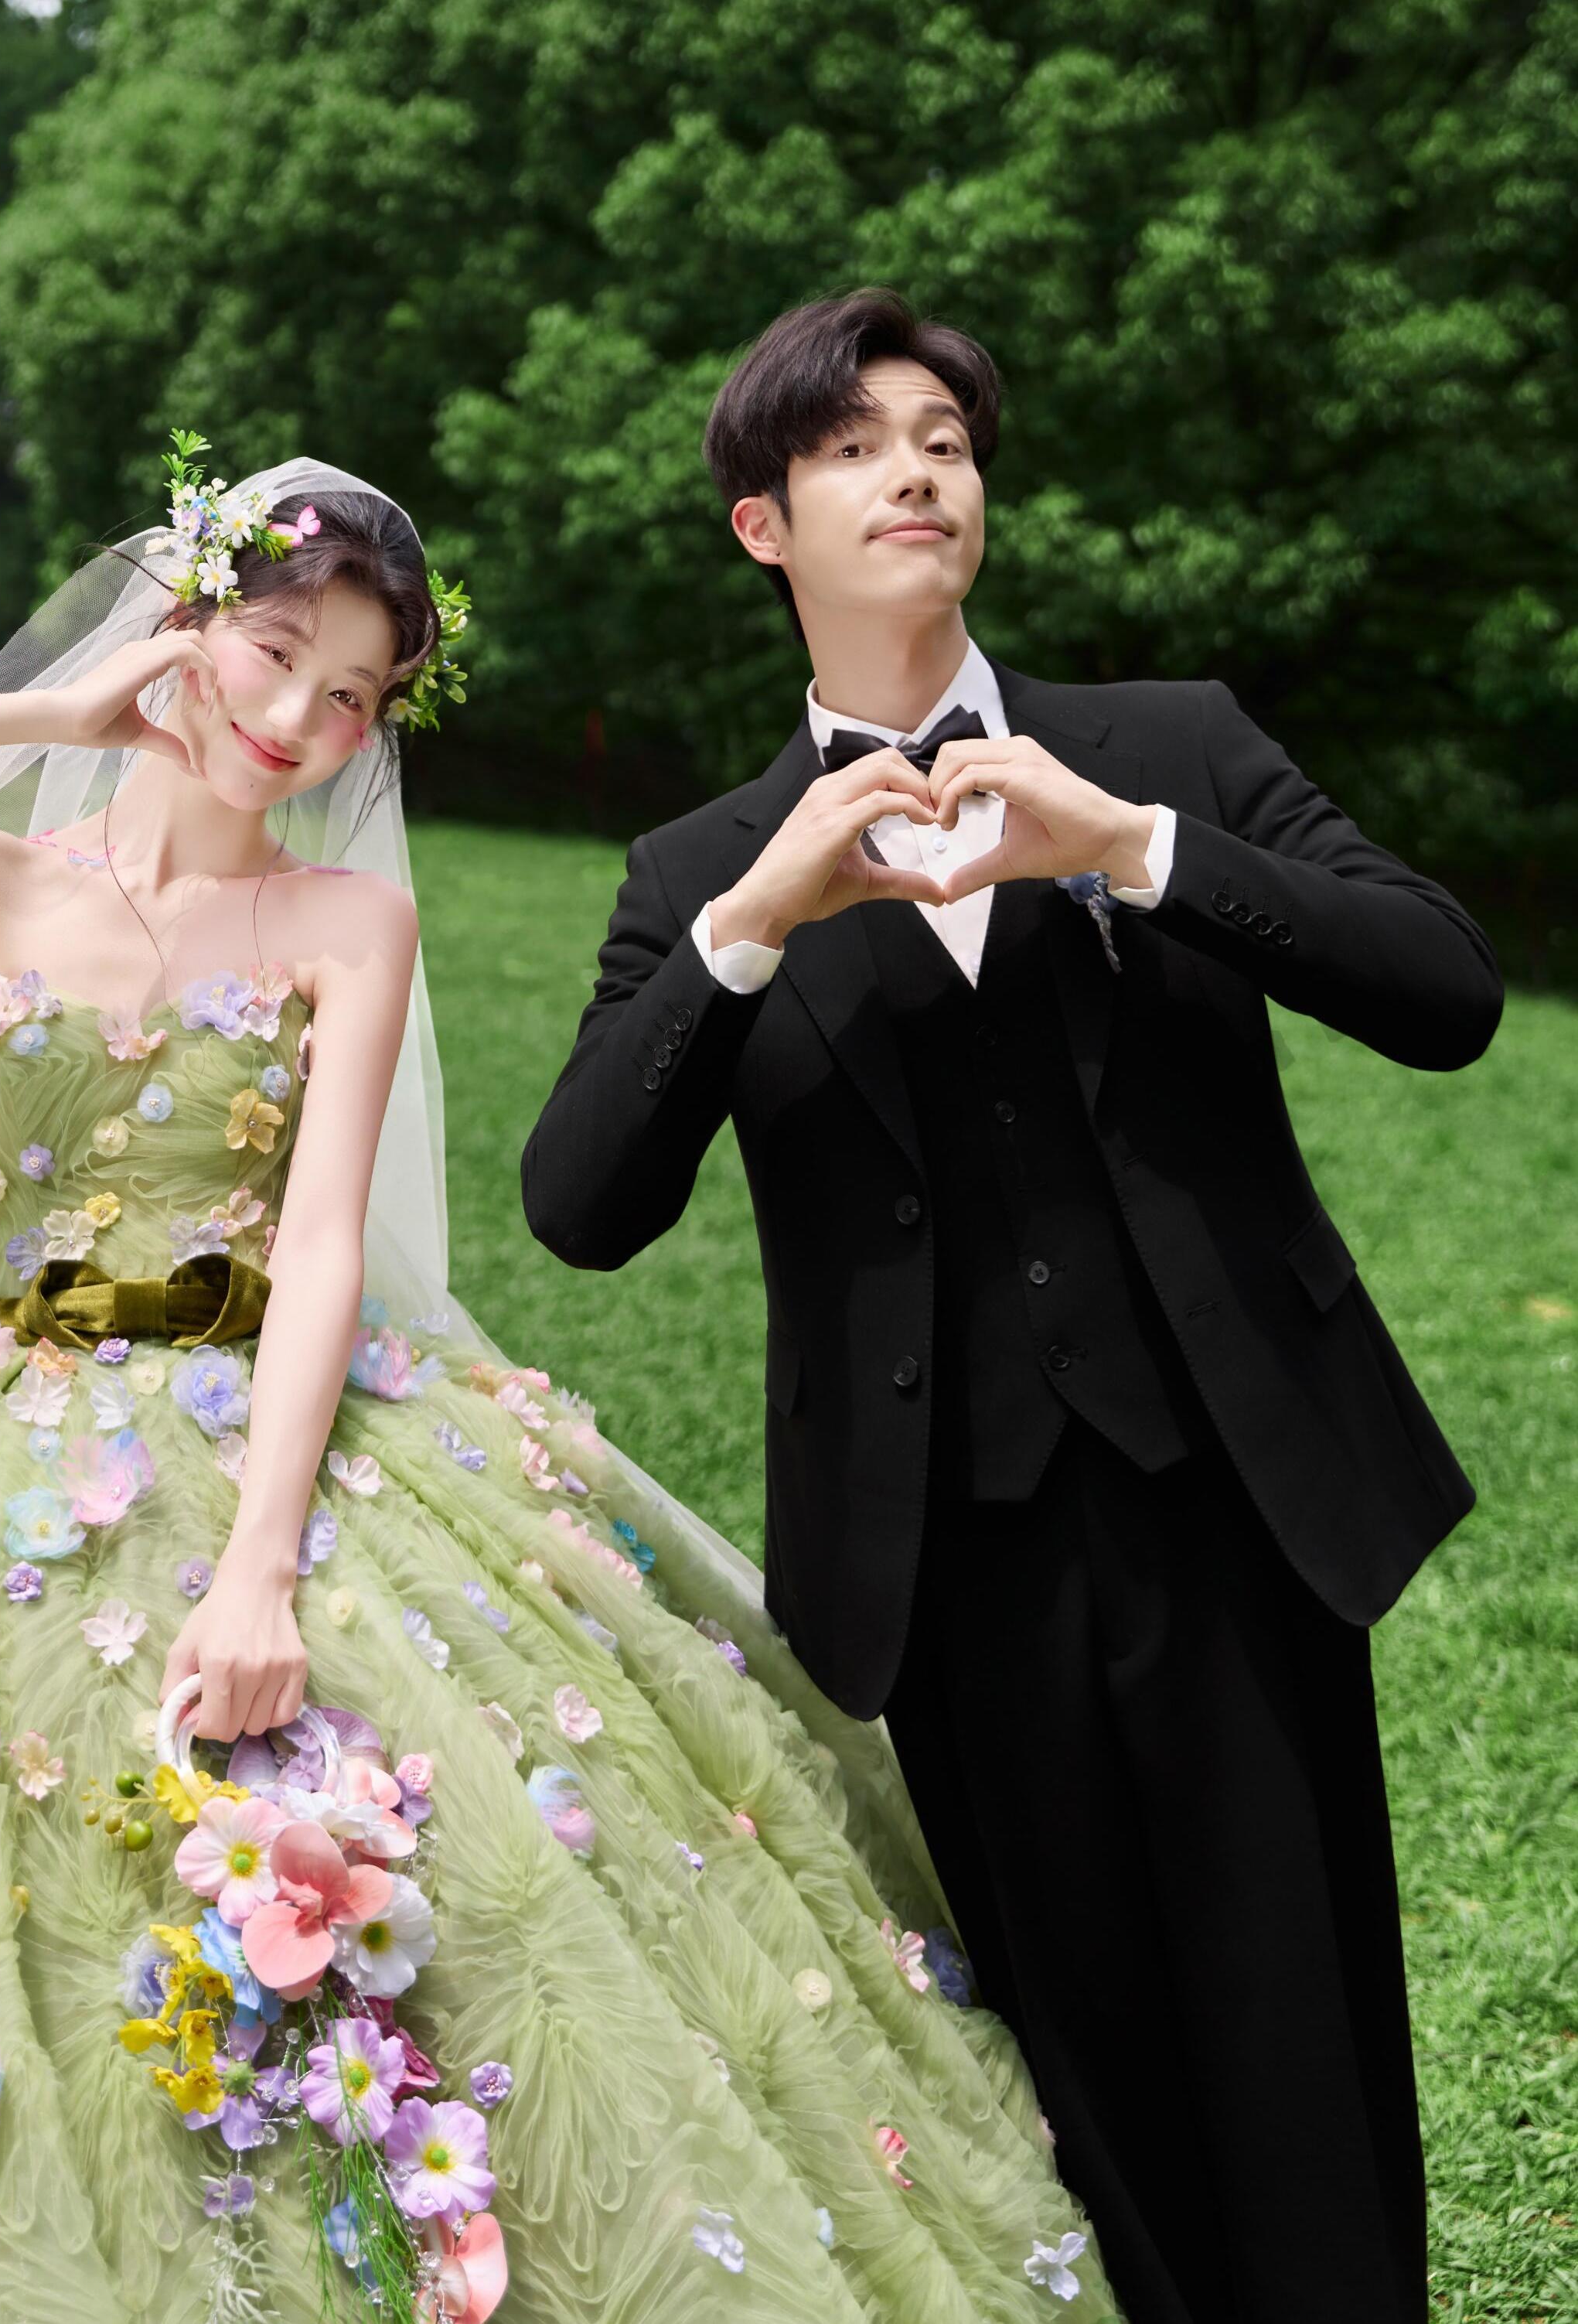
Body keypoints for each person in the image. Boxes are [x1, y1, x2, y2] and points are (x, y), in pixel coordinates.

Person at [0, 449, 1117, 2322]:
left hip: (273, 1425)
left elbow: (322, 1245)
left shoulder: (346, 925)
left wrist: (255, 1571)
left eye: (355, 696)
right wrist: (43, 714)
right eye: (277, 653)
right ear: (185, 627)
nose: (302, 720)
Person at [521, 288, 1504, 2324]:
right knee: (1077, 2081)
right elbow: (581, 1207)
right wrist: (752, 922)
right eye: (856, 446)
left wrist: (1134, 849)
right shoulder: (698, 869)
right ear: (762, 525)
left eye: (946, 440)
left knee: (1298, 2041)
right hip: (942, 1562)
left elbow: (1445, 986)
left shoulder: (1170, 743)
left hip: (1235, 1502)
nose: (917, 472)